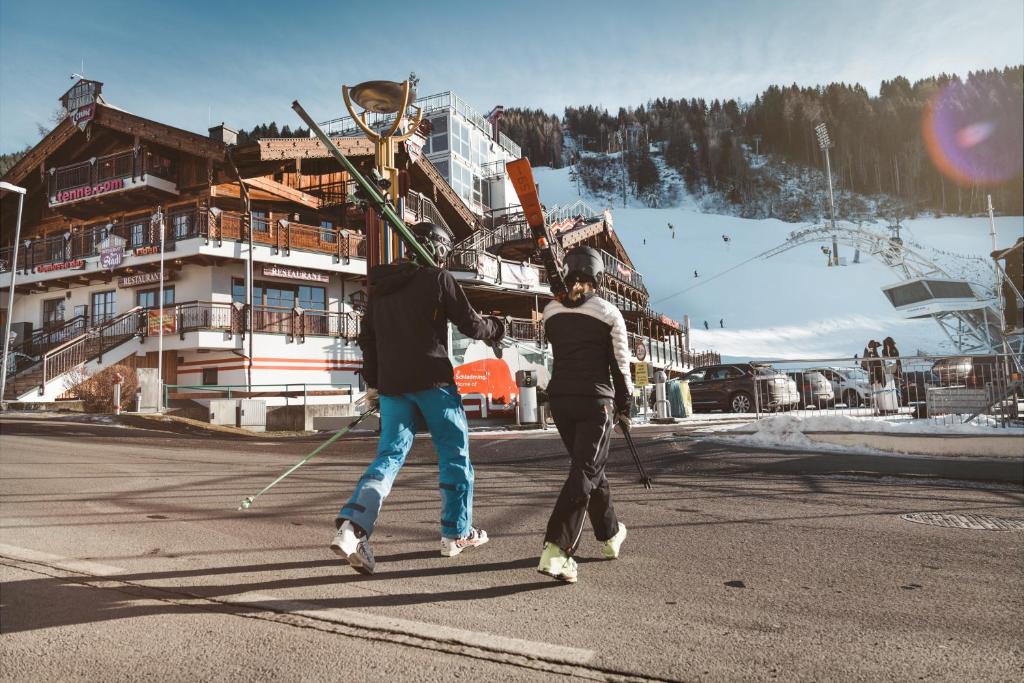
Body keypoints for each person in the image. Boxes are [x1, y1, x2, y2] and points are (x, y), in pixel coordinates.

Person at [331, 222, 506, 575]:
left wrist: (376, 384)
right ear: (438, 249)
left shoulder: (381, 289)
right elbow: (472, 324)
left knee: (389, 457)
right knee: (454, 455)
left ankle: (353, 528)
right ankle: (456, 533)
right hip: (434, 382)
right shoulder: (438, 279)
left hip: (393, 388)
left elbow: (368, 340)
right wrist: (497, 328)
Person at [536, 246, 633, 583]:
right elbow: (620, 365)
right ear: (598, 277)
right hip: (595, 402)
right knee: (585, 471)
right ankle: (557, 550)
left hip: (561, 400)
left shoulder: (551, 311)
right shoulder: (609, 312)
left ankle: (610, 535)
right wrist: (626, 405)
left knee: (590, 468)